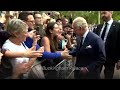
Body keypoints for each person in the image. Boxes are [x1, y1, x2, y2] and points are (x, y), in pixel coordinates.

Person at [93, 11, 120, 79]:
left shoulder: (118, 26)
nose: (102, 15)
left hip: (111, 57)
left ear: (111, 12)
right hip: (98, 56)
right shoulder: (98, 27)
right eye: (102, 13)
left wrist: (119, 60)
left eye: (104, 13)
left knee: (108, 76)